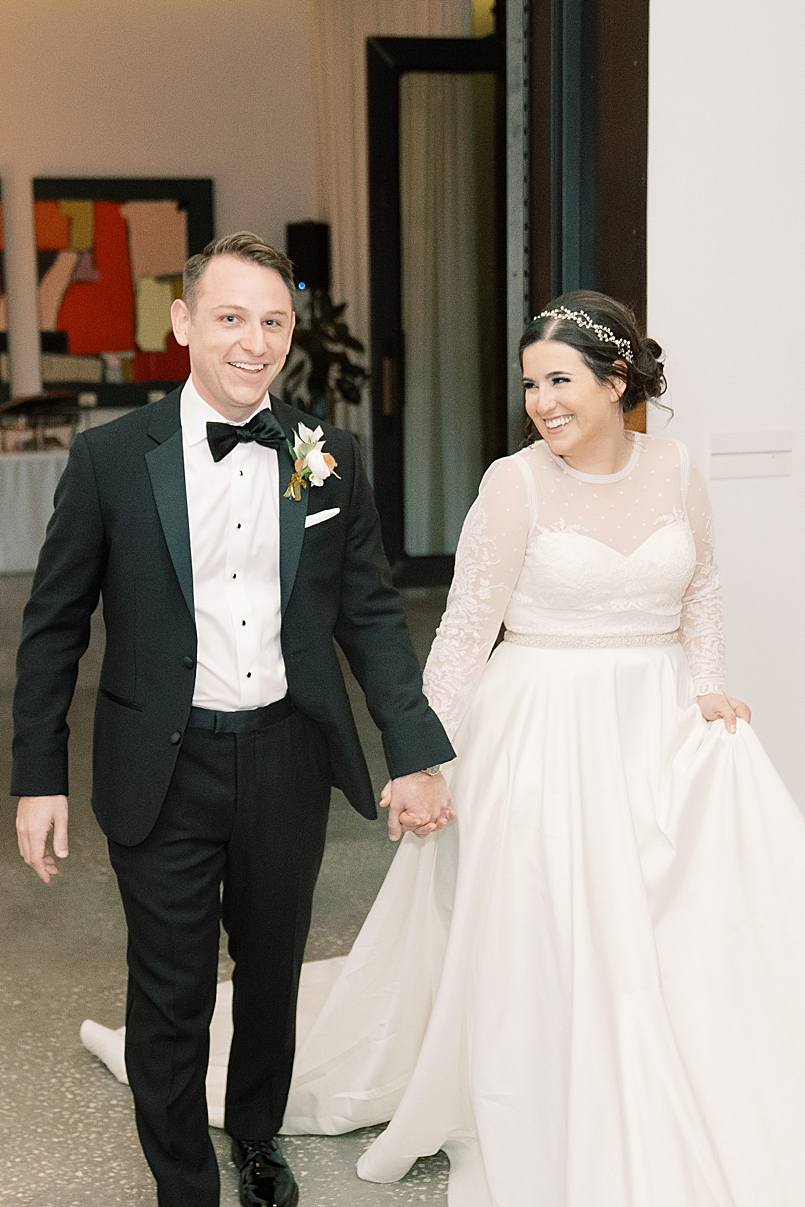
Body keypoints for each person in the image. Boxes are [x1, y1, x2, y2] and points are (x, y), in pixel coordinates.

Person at [274, 291, 805, 1205]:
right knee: (559, 920)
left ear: (616, 379)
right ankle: (563, 1080)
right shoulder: (511, 483)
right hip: (541, 726)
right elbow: (463, 630)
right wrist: (426, 757)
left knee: (674, 918)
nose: (541, 402)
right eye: (530, 384)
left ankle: (680, 1068)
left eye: (559, 380)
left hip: (657, 716)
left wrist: (708, 680)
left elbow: (702, 588)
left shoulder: (677, 468)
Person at [11, 231, 455, 1207]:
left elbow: (371, 612)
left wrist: (415, 750)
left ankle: (256, 1134)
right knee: (168, 988)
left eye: (273, 321)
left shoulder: (318, 454)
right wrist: (38, 773)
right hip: (160, 759)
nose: (254, 341)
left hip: (285, 756)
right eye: (230, 317)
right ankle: (183, 1186)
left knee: (268, 973)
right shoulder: (111, 458)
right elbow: (51, 627)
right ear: (183, 324)